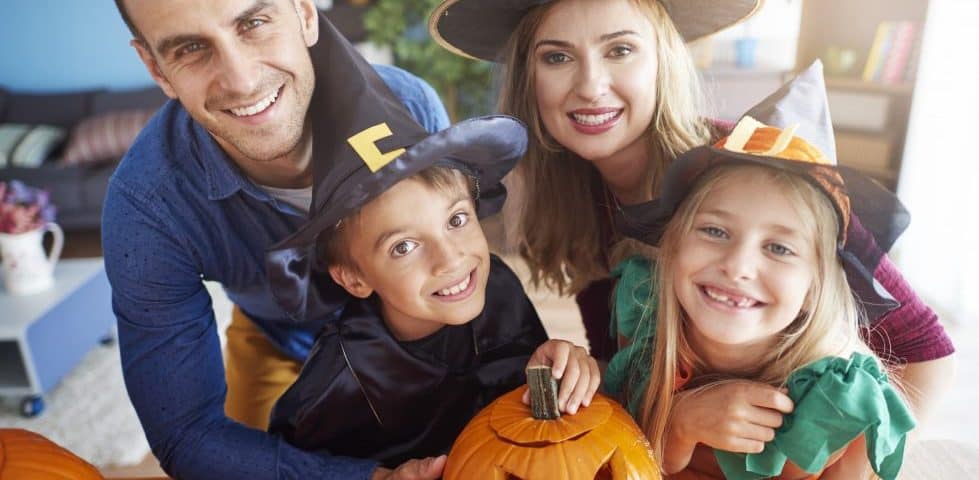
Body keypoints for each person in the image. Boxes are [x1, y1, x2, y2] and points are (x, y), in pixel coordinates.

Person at [428, 0, 954, 432]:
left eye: (621, 50)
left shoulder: (765, 171)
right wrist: (587, 373)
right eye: (557, 58)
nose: (590, 85)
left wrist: (867, 451)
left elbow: (924, 348)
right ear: (530, 80)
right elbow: (625, 362)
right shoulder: (574, 195)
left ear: (663, 60)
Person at [103, 0, 450, 478]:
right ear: (156, 68)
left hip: (419, 335)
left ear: (305, 13)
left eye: (254, 22)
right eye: (191, 47)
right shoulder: (147, 205)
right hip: (281, 343)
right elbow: (186, 434)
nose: (242, 81)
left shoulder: (410, 109)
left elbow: (461, 273)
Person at [609, 64, 916, 478]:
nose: (737, 266)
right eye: (715, 230)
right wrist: (679, 427)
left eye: (779, 247)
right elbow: (619, 464)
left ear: (816, 285)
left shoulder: (845, 401)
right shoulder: (646, 313)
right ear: (673, 245)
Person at [263, 92, 598, 465]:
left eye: (456, 221)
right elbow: (287, 467)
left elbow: (525, 419)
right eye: (404, 247)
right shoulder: (336, 379)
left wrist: (549, 372)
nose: (450, 258)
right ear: (355, 278)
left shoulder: (497, 287)